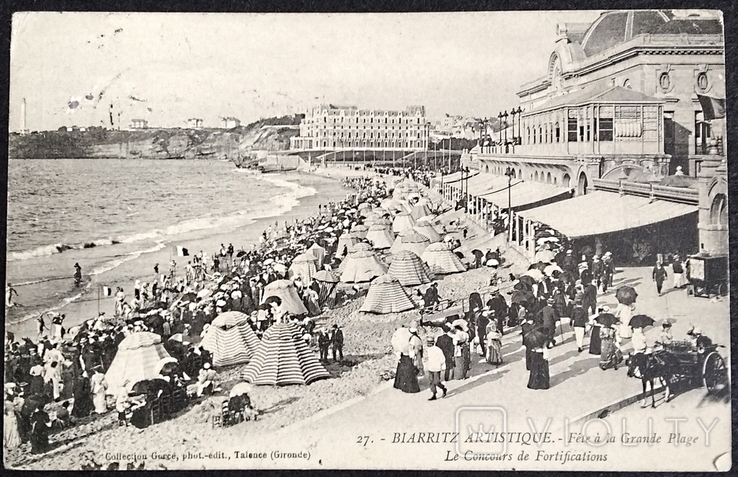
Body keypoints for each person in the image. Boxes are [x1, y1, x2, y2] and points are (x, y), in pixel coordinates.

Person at [424, 336, 447, 400]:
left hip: (437, 368)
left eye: (430, 343)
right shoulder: (427, 350)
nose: (428, 344)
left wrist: (441, 364)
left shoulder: (437, 349)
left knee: (436, 381)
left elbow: (442, 359)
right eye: (428, 342)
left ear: (433, 343)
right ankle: (434, 394)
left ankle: (443, 388)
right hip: (430, 367)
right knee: (431, 382)